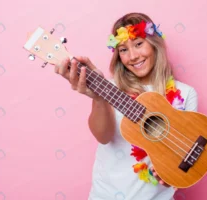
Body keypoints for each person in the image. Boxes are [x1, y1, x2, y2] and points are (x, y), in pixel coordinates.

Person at [55, 12, 198, 200]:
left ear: (154, 44)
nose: (132, 56)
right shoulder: (111, 89)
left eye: (139, 44)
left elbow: (190, 153)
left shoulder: (185, 94)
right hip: (106, 195)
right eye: (123, 50)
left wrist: (174, 176)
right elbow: (103, 137)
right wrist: (99, 98)